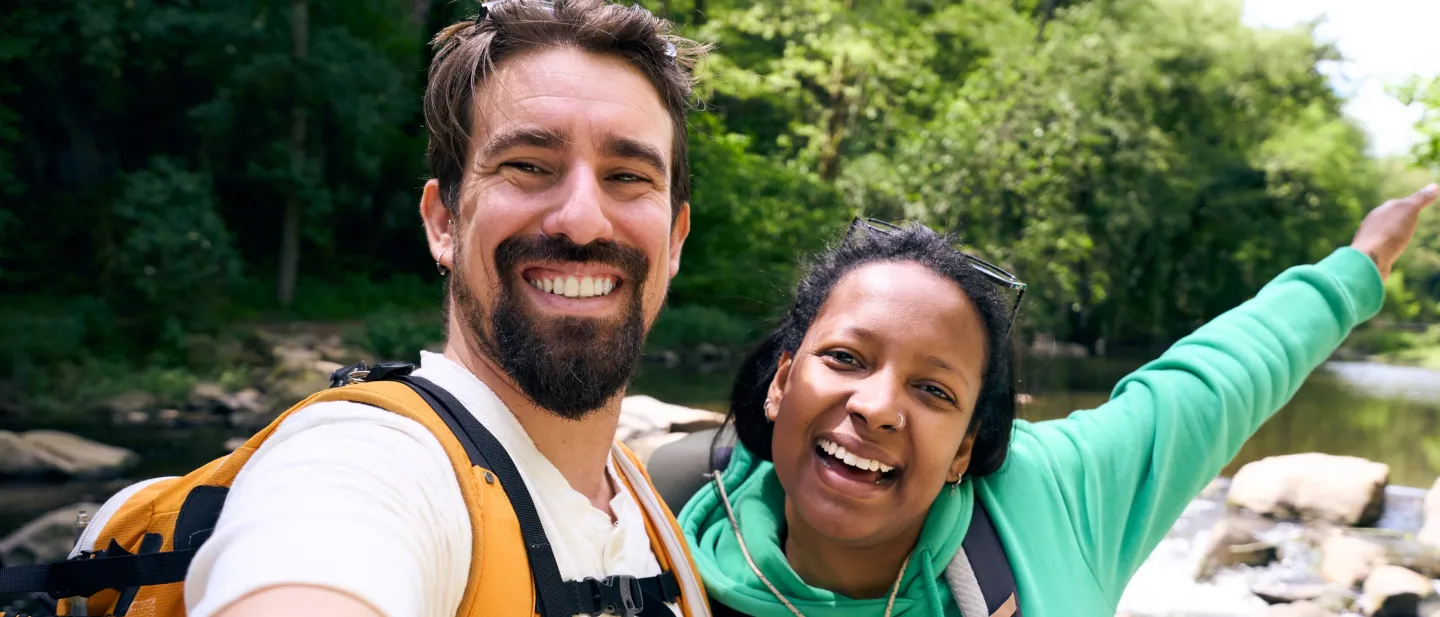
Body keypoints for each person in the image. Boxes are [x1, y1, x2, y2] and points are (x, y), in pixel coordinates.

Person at [0, 2, 710, 617]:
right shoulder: (368, 462)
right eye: (527, 164)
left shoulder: (641, 500)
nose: (583, 219)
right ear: (444, 222)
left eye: (626, 176)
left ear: (674, 239)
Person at [661, 185, 1438, 616]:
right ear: (781, 381)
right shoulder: (652, 550)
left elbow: (1216, 379)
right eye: (844, 358)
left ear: (967, 446)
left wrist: (1357, 266)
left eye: (934, 389)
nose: (878, 406)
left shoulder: (1050, 498)